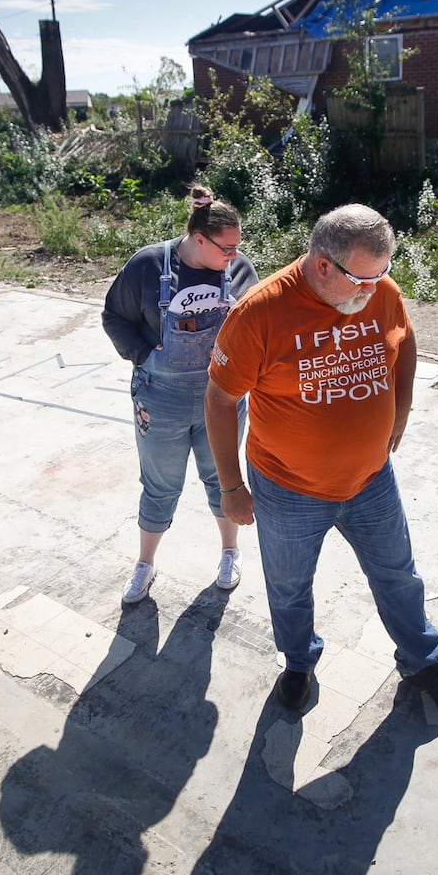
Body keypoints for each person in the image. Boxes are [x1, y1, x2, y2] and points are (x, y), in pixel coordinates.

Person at [204, 203, 438, 713]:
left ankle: (422, 661)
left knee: (399, 575)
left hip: (372, 480)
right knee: (289, 587)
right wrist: (232, 487)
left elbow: (404, 340)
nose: (372, 291)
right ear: (323, 264)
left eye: (381, 276)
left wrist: (402, 406)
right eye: (361, 280)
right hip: (288, 489)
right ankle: (299, 663)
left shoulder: (381, 292)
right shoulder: (259, 314)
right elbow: (219, 399)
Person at [102, 186, 258, 605]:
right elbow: (113, 315)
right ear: (199, 239)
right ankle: (144, 564)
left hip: (222, 399)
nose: (234, 256)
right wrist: (141, 354)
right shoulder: (149, 264)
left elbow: (256, 327)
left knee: (223, 479)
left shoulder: (240, 269)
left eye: (237, 247)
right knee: (160, 485)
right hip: (161, 397)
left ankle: (230, 553)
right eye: (226, 248)